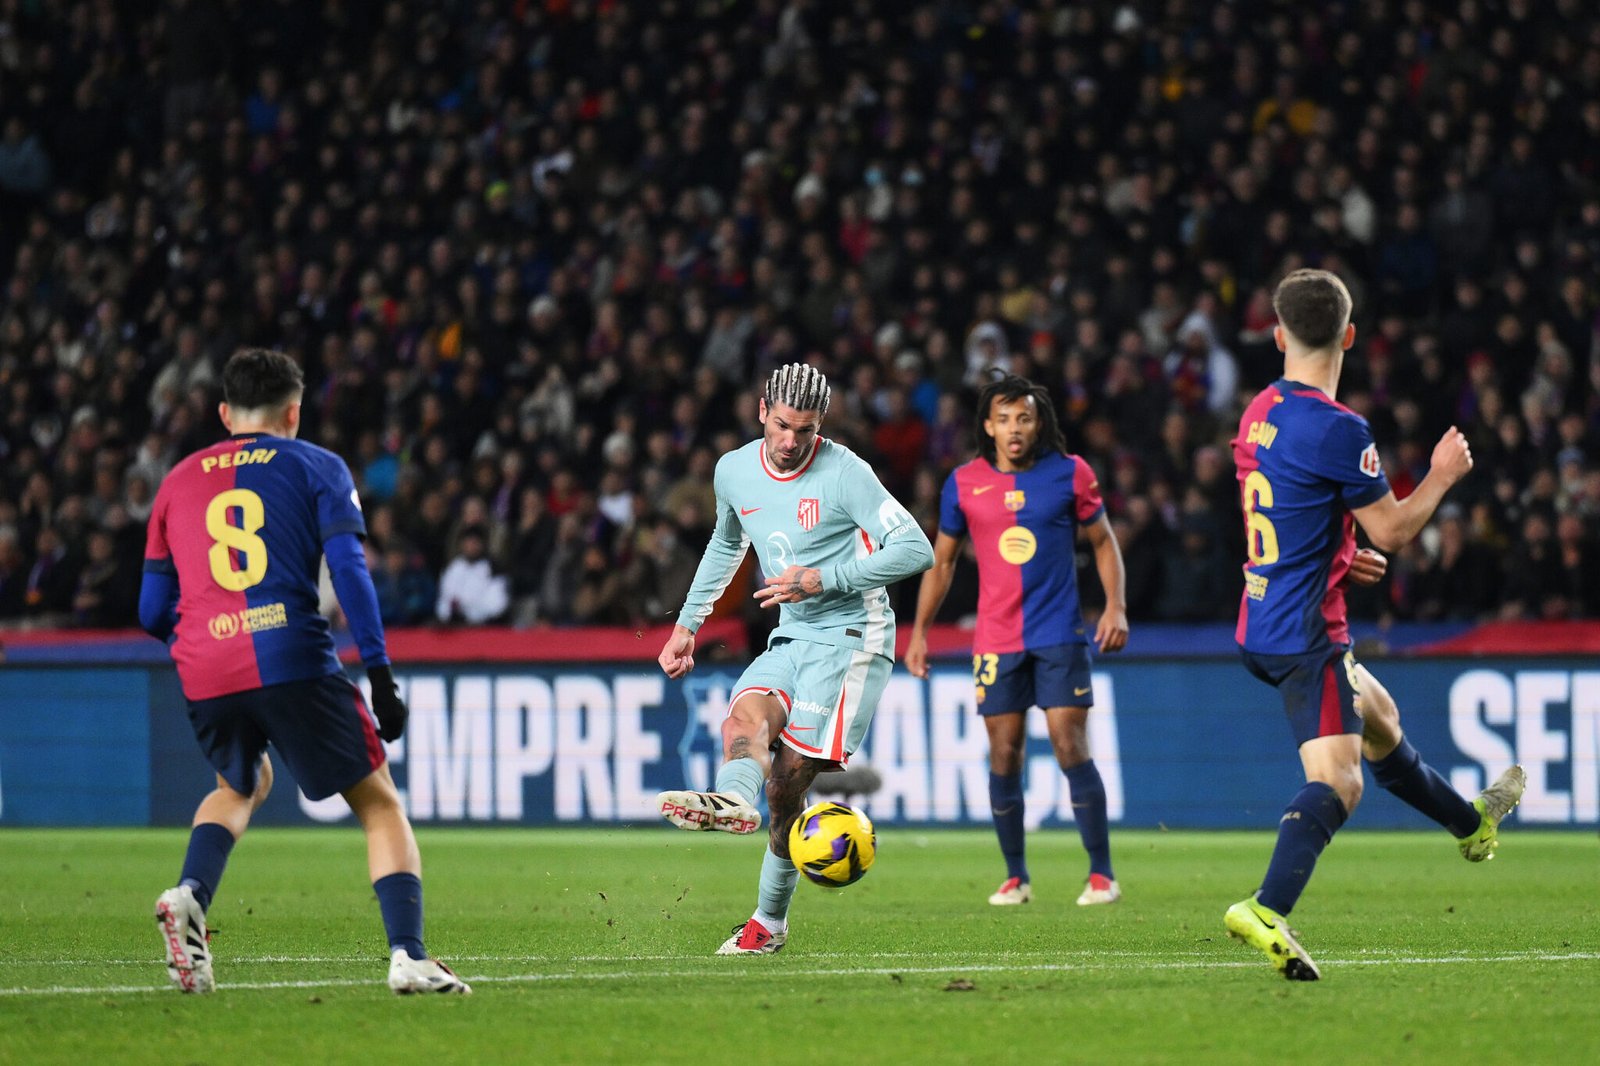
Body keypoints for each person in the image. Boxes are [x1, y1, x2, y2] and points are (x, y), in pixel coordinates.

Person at [138, 348, 468, 995]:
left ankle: (188, 893)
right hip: (289, 651)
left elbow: (151, 609)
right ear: (293, 410)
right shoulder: (317, 464)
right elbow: (349, 572)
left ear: (225, 412)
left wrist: (208, 630)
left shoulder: (176, 480)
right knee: (378, 804)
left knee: (238, 785)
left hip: (204, 662)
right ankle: (408, 955)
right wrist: (379, 674)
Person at [1224, 270, 1525, 980]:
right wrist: (1443, 474)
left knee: (1381, 717)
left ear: (1278, 335)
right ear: (1350, 336)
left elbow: (1283, 505)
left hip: (1260, 613)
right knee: (1342, 780)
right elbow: (1391, 528)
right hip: (1305, 632)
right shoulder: (1340, 428)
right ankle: (1266, 908)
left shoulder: (1258, 410)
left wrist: (1336, 553)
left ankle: (1472, 824)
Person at [654, 362, 933, 955]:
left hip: (855, 637)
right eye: (781, 426)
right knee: (743, 718)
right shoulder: (733, 471)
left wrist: (823, 578)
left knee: (785, 786)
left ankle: (768, 922)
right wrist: (687, 624)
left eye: (804, 432)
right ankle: (731, 796)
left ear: (819, 426)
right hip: (792, 633)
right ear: (762, 412)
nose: (789, 442)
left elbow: (916, 548)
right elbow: (727, 542)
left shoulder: (845, 472)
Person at [906, 373, 1130, 908]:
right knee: (1003, 753)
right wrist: (917, 633)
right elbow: (943, 561)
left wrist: (1116, 604)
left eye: (1024, 418)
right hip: (996, 639)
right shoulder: (963, 482)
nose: (1014, 428)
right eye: (1004, 419)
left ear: (1039, 423)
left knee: (1067, 741)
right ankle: (1015, 876)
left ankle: (1101, 874)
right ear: (987, 425)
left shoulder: (1071, 474)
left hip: (1059, 634)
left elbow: (1103, 542)